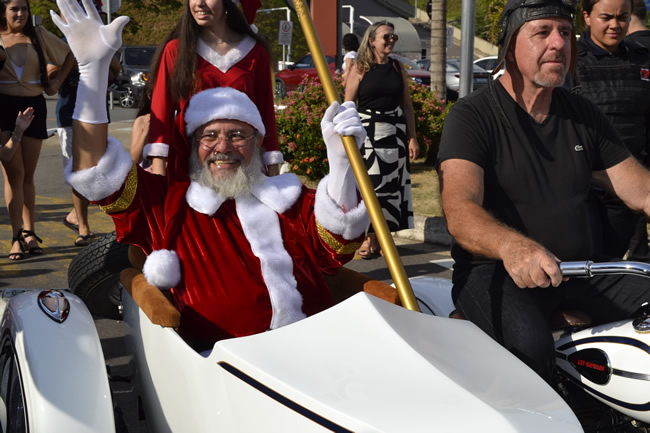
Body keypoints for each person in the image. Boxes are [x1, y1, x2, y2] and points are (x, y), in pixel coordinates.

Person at [52, 0, 369, 346]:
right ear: (192, 142)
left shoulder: (289, 204)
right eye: (209, 136)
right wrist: (92, 76)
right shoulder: (167, 208)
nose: (223, 147)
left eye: (237, 135)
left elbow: (339, 241)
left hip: (318, 360)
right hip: (227, 380)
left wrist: (341, 164)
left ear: (257, 139)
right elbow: (94, 171)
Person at [437, 0, 650, 385]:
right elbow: (459, 209)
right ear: (509, 47)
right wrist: (513, 248)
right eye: (542, 32)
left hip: (577, 270)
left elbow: (640, 189)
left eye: (565, 33)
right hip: (495, 273)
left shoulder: (582, 114)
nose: (558, 43)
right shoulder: (472, 116)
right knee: (530, 353)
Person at [145, 0, 283, 177]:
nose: (199, 3)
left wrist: (273, 172)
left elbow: (266, 116)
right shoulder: (175, 51)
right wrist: (159, 176)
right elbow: (161, 116)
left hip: (241, 168)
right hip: (188, 169)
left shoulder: (256, 52)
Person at [571, 0, 650, 260]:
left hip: (627, 186)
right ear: (587, 17)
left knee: (610, 262)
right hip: (581, 186)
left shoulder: (642, 60)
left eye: (622, 17)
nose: (615, 25)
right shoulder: (568, 60)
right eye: (606, 17)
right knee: (586, 261)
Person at [0, 0, 74, 258]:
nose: (20, 14)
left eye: (24, 9)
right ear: (3, 12)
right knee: (13, 174)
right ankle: (16, 236)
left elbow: (69, 55)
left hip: (33, 107)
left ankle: (30, 233)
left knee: (29, 175)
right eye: (14, 9)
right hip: (4, 108)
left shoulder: (38, 35)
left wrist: (56, 84)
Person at [344, 21, 419, 259]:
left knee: (390, 190)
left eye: (393, 37)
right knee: (372, 187)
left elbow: (407, 105)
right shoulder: (360, 67)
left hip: (395, 134)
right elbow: (348, 105)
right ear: (372, 40)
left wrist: (412, 138)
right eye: (386, 37)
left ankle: (380, 239)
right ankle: (367, 237)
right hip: (368, 134)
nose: (391, 40)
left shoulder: (397, 67)